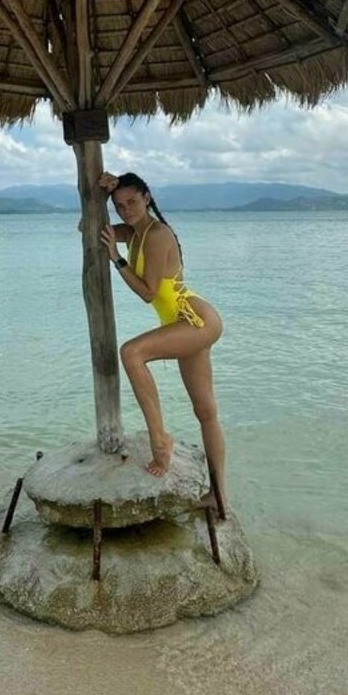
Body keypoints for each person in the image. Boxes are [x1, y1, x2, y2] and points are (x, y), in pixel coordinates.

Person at [96, 169, 227, 512]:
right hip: (183, 322)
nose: (126, 210)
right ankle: (218, 497)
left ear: (147, 198)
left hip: (195, 319)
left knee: (132, 353)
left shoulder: (156, 235)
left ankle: (160, 440)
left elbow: (148, 292)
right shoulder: (134, 232)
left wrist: (117, 260)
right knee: (206, 411)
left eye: (133, 202)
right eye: (119, 205)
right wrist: (102, 190)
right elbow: (91, 227)